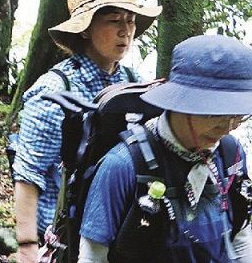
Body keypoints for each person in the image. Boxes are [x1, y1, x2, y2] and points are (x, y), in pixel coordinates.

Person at [11, 0, 162, 263]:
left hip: (117, 227)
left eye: (130, 21)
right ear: (85, 29)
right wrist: (27, 246)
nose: (125, 31)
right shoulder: (54, 91)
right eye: (114, 20)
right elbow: (29, 174)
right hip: (61, 234)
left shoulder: (133, 82)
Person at [79, 34, 252, 262]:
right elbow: (93, 256)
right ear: (181, 103)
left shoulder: (230, 153)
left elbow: (240, 233)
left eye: (238, 115)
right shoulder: (123, 165)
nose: (228, 127)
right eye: (215, 114)